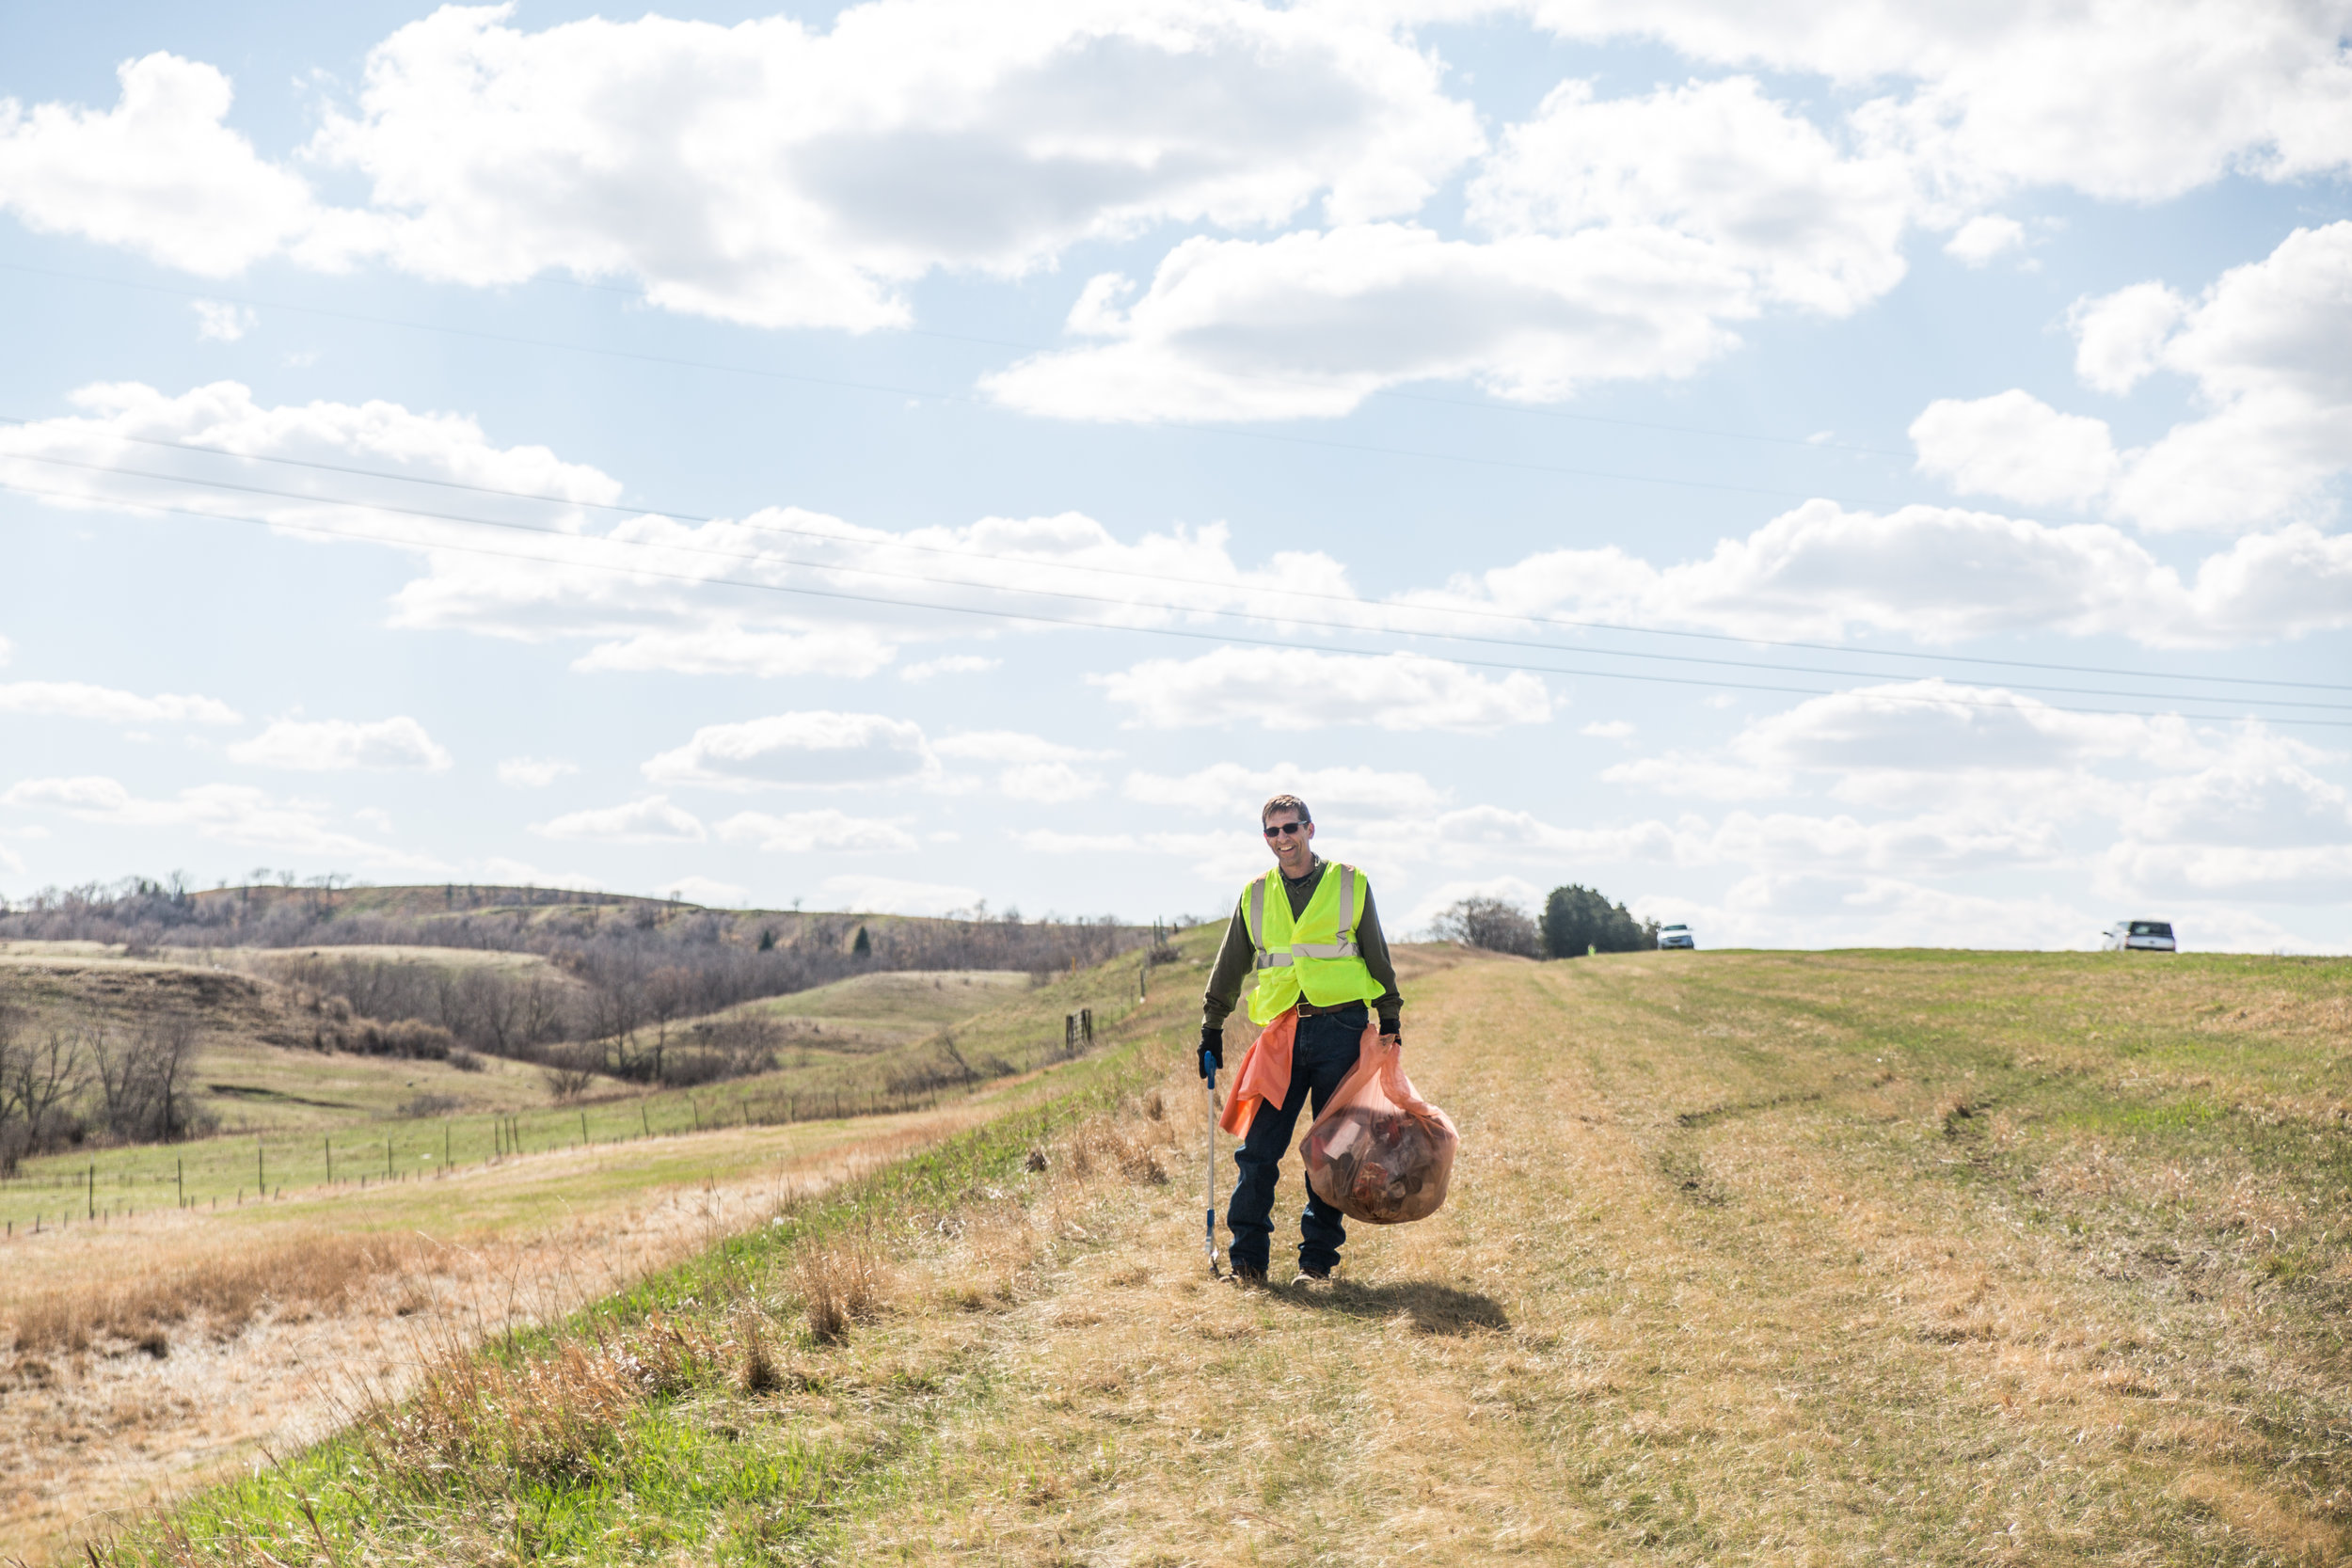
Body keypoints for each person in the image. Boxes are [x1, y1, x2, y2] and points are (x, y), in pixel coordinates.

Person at [1200, 794, 1402, 1284]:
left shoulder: (1349, 883)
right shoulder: (1255, 894)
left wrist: (1390, 1014)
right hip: (1283, 1034)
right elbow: (1231, 963)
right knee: (1258, 1151)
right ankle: (1247, 1262)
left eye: (1291, 828)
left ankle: (1317, 1265)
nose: (1282, 839)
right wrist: (1212, 1023)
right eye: (1272, 832)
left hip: (1343, 1027)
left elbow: (1375, 949)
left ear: (1311, 830)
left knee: (1331, 1151)